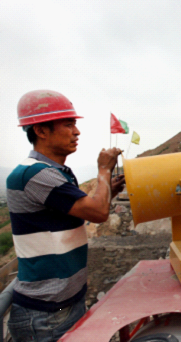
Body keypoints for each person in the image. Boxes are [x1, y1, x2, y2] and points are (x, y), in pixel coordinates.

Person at [6, 89, 125, 342]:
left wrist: (107, 192)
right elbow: (99, 213)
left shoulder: (54, 172)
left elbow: (80, 213)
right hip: (45, 313)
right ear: (40, 130)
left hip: (62, 306)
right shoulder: (35, 173)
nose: (76, 131)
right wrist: (104, 170)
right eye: (68, 124)